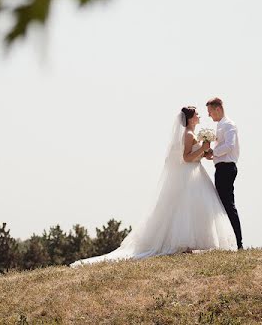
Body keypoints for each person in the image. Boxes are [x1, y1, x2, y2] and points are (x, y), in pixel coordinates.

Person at [70, 106, 237, 266]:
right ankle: (185, 244)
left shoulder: (191, 133)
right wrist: (203, 149)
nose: (200, 116)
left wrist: (204, 151)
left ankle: (192, 244)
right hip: (190, 175)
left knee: (193, 208)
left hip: (195, 174)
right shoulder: (188, 134)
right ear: (191, 118)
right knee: (187, 209)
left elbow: (192, 158)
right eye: (197, 114)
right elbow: (186, 158)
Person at [204, 97, 242, 250]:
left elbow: (229, 145)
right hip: (221, 168)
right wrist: (212, 155)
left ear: (218, 109)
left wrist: (214, 152)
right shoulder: (220, 125)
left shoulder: (228, 125)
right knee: (223, 204)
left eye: (210, 112)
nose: (209, 115)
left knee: (227, 205)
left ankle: (238, 242)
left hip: (227, 168)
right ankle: (230, 241)